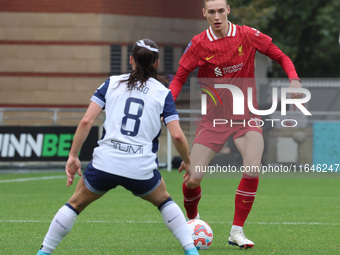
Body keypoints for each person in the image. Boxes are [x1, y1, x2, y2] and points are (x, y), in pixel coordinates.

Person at [36, 39, 199, 255]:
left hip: (106, 163)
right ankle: (191, 251)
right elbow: (177, 135)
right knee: (164, 201)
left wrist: (73, 155)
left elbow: (86, 121)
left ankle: (44, 252)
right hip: (140, 168)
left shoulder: (111, 83)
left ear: (131, 59)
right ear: (157, 63)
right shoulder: (163, 93)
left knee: (74, 204)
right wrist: (187, 161)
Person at [170, 0, 304, 249]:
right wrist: (167, 103)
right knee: (193, 178)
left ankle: (237, 231)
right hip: (214, 121)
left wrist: (294, 80)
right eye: (212, 12)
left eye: (221, 11)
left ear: (228, 10)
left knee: (252, 168)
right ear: (204, 14)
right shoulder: (199, 43)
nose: (217, 16)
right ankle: (193, 222)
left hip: (246, 118)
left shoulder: (247, 35)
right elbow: (179, 78)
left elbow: (281, 56)